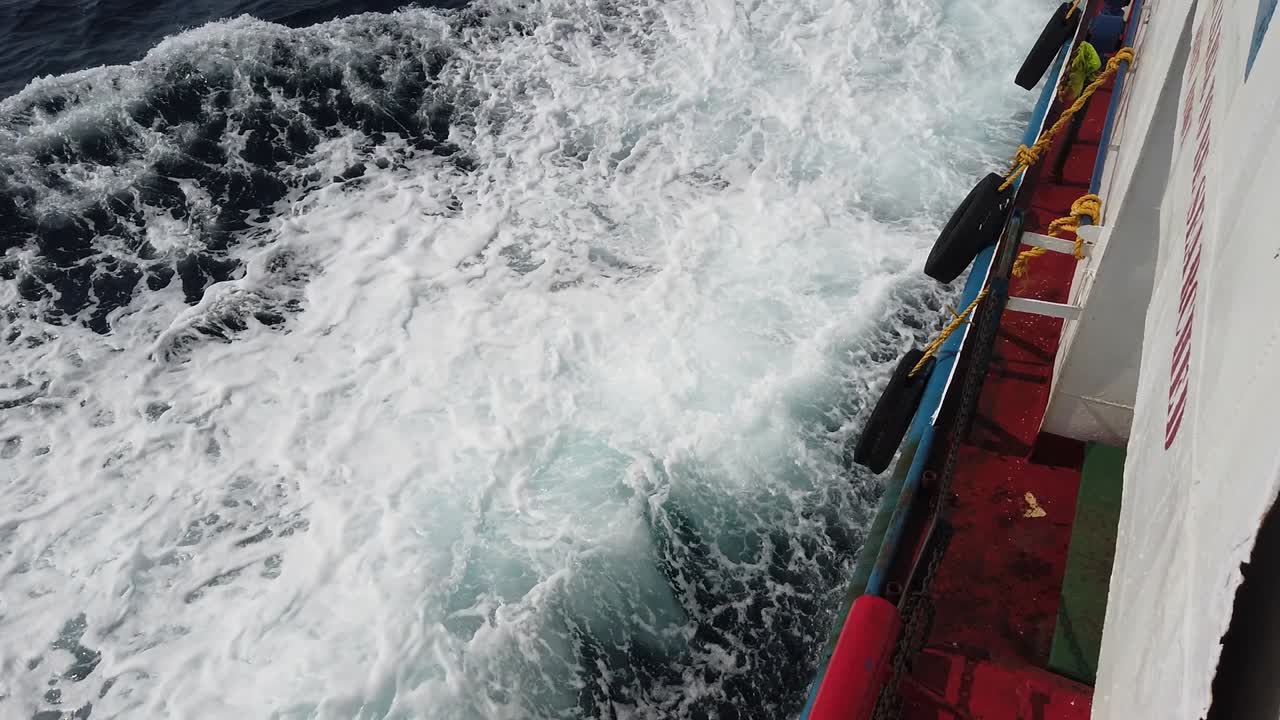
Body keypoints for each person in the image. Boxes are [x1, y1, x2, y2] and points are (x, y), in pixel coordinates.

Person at [1051, 40, 1102, 183]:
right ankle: (1055, 171)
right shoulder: (1083, 65)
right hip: (1087, 79)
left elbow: (1071, 93)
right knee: (1074, 124)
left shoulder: (1080, 67)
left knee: (1075, 123)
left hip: (1087, 79)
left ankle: (1055, 171)